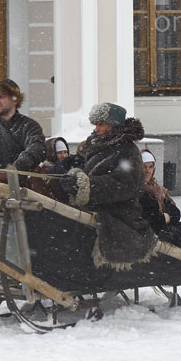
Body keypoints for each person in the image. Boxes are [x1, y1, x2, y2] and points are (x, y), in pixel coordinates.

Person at [60, 102, 158, 270]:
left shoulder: (128, 150)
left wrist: (88, 185)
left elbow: (125, 185)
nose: (96, 128)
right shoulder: (97, 146)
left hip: (120, 214)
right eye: (95, 123)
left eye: (101, 124)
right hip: (95, 207)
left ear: (113, 125)